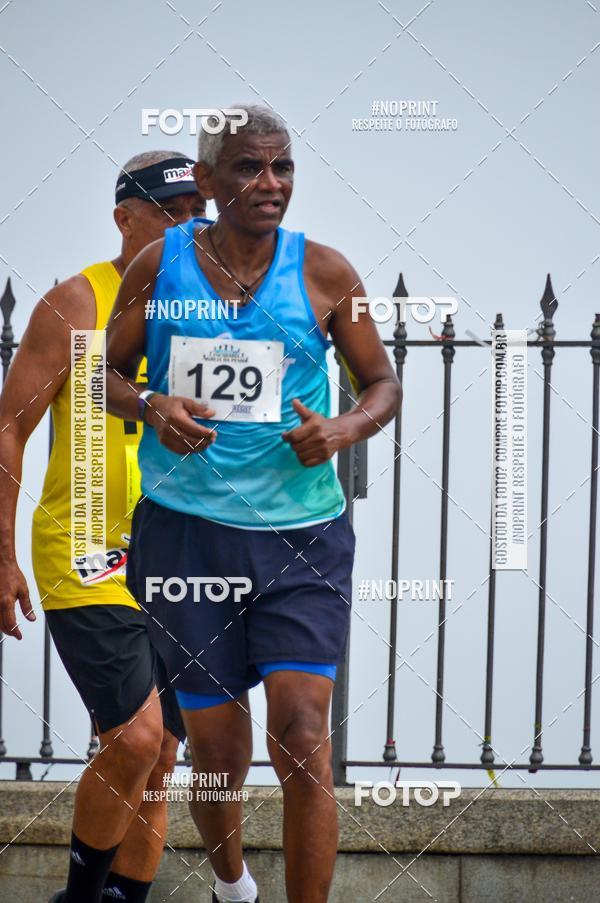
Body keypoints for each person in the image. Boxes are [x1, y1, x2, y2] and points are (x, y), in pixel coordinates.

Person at [105, 105, 401, 903]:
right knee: (216, 752)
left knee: (303, 737)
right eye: (248, 167)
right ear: (206, 180)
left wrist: (342, 428)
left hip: (301, 539)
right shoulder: (157, 267)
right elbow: (104, 375)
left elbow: (383, 382)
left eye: (282, 167)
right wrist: (152, 405)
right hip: (186, 537)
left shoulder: (327, 273)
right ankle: (233, 885)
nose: (270, 184)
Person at [0, 150, 207, 903]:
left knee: (163, 756)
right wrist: (3, 555)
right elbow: (9, 427)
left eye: (199, 214)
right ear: (126, 217)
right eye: (173, 213)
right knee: (135, 737)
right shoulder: (78, 302)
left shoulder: (209, 309)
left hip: (180, 554)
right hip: (88, 546)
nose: (191, 227)